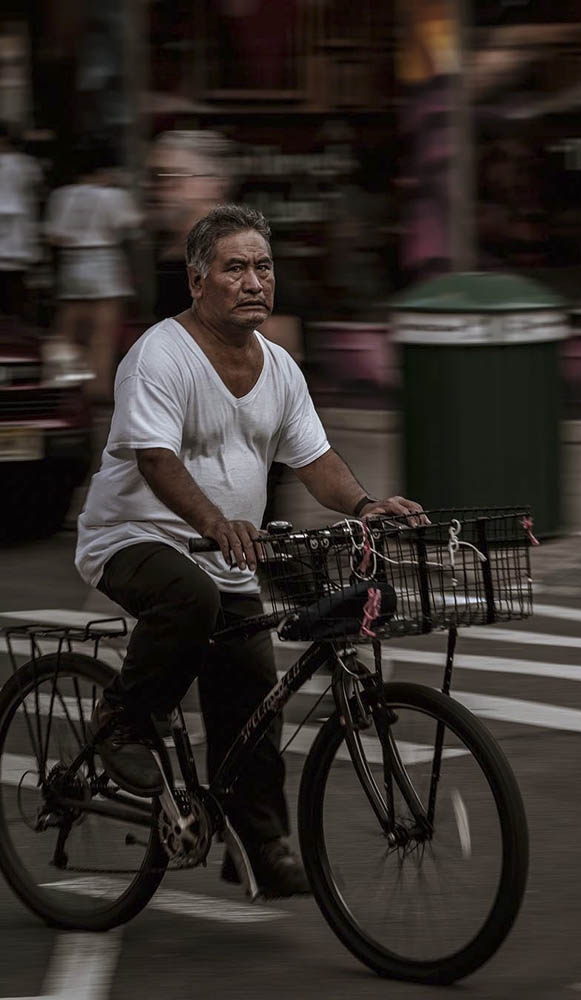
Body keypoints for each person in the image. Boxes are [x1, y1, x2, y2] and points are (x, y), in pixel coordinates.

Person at [76, 203, 423, 896]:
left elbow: (315, 459)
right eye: (235, 267)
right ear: (197, 280)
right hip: (133, 539)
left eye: (263, 266)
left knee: (254, 701)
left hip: (224, 553)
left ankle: (260, 844)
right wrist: (214, 522)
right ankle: (124, 722)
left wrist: (363, 504)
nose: (254, 280)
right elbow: (155, 459)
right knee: (189, 599)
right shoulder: (160, 356)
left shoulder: (280, 368)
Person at [44, 142, 142, 401]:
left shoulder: (62, 195)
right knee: (102, 335)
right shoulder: (114, 196)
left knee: (68, 332)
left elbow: (53, 236)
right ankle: (95, 393)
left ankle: (62, 388)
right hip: (104, 261)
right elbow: (131, 226)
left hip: (72, 264)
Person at [146, 130, 234, 320]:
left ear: (213, 183)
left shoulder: (241, 258)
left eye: (175, 176)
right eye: (156, 177)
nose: (160, 189)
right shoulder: (164, 255)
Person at [0, 122, 43, 320]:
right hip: (17, 231)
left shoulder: (23, 164)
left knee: (13, 279)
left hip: (16, 229)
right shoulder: (26, 164)